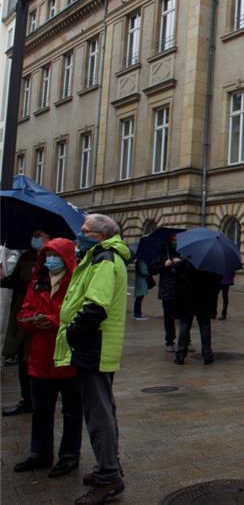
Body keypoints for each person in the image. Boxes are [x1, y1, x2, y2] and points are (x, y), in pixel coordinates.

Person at [53, 214, 129, 505]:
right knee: (104, 407)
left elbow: (96, 306)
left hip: (93, 346)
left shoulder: (104, 259)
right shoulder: (99, 256)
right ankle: (110, 465)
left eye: (84, 231)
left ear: (99, 235)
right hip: (97, 345)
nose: (79, 235)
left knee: (98, 413)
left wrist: (72, 333)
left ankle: (108, 476)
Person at [14, 238, 83, 478]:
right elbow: (24, 311)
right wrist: (30, 320)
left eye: (55, 255)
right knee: (41, 410)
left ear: (66, 258)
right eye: (47, 255)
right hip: (41, 356)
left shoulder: (76, 283)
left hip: (67, 358)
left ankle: (69, 455)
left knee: (72, 411)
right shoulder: (37, 283)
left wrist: (51, 320)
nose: (50, 260)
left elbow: (76, 314)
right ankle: (40, 453)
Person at [2, 229, 52, 416]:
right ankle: (26, 400)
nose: (36, 239)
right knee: (23, 360)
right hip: (23, 314)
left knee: (37, 359)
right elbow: (14, 281)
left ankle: (41, 399)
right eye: (34, 235)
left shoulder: (54, 259)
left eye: (40, 235)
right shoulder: (27, 258)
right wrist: (4, 279)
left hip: (42, 317)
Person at [174, 267, 221, 365]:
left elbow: (178, 279)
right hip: (204, 300)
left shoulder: (186, 262)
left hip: (187, 299)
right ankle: (207, 355)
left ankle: (180, 355)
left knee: (185, 326)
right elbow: (217, 281)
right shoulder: (211, 266)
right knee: (205, 327)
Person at [149, 237, 185, 352]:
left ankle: (186, 340)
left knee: (185, 316)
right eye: (172, 238)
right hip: (167, 288)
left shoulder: (183, 249)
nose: (175, 239)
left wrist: (181, 261)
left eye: (176, 237)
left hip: (182, 288)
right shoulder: (162, 251)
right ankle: (170, 341)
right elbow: (152, 269)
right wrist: (164, 265)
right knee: (169, 317)